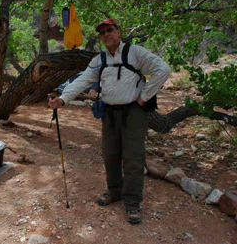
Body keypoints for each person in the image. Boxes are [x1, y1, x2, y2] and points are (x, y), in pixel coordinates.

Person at [49, 19, 170, 224]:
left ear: (119, 31)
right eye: (102, 32)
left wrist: (145, 96)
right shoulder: (100, 59)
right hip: (110, 112)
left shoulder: (135, 52)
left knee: (133, 157)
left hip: (134, 111)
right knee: (110, 154)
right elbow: (83, 79)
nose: (106, 35)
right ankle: (114, 191)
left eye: (110, 30)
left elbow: (163, 69)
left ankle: (132, 203)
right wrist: (63, 98)